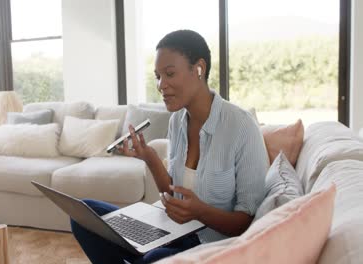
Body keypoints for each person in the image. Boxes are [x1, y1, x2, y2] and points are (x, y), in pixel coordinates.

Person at [70, 29, 269, 264]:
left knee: (154, 258)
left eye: (170, 74)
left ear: (199, 69)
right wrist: (150, 158)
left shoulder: (241, 127)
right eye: (157, 76)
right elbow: (173, 194)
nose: (161, 85)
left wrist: (200, 211)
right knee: (83, 215)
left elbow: (247, 223)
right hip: (171, 231)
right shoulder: (177, 121)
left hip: (211, 245)